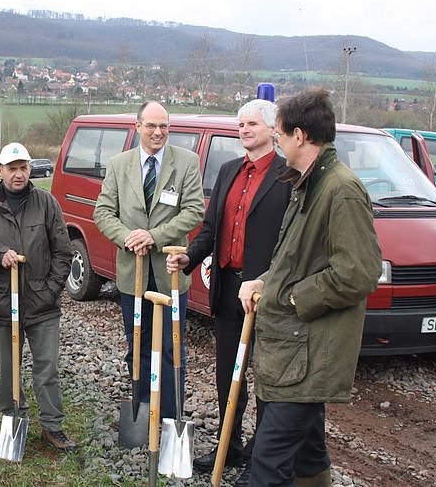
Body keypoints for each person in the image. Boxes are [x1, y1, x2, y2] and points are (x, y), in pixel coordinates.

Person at [237, 88, 381, 487]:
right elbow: (296, 259)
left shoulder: (341, 190)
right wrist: (262, 281)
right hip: (291, 350)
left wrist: (293, 298)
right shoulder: (307, 184)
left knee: (267, 464)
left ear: (299, 136)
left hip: (307, 354)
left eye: (280, 134)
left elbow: (359, 272)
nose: (278, 142)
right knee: (308, 452)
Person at [166, 99, 290, 482]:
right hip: (227, 289)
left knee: (266, 378)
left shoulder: (288, 176)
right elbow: (210, 228)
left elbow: (290, 241)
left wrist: (270, 281)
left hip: (265, 293)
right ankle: (229, 446)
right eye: (240, 124)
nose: (244, 130)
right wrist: (189, 256)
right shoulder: (228, 170)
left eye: (252, 123)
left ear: (272, 129)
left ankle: (260, 457)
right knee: (227, 376)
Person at [94, 101, 205, 419]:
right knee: (139, 345)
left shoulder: (186, 162)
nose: (158, 132)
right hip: (135, 273)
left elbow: (194, 211)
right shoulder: (119, 165)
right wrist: (128, 237)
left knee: (172, 349)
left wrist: (153, 236)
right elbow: (103, 212)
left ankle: (169, 418)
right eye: (152, 126)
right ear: (138, 126)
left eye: (164, 126)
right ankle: (143, 412)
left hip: (170, 273)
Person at [0, 142, 77, 452]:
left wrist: (51, 289)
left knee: (47, 367)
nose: (18, 174)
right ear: (0, 171)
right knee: (8, 369)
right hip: (3, 301)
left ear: (30, 169)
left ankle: (53, 426)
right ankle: (13, 423)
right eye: (11, 168)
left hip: (42, 303)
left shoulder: (46, 203)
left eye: (23, 167)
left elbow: (63, 251)